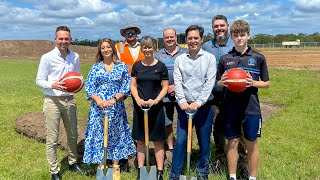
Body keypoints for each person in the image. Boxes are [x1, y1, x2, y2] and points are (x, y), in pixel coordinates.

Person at [216, 20, 270, 180]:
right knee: (232, 142)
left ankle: (252, 177)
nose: (239, 38)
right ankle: (232, 176)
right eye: (236, 35)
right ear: (231, 36)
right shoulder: (225, 59)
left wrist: (252, 83)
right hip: (230, 108)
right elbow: (218, 83)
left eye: (242, 35)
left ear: (248, 35)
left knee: (251, 144)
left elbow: (266, 83)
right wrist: (221, 83)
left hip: (251, 108)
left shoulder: (258, 57)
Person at [35, 26, 87, 180]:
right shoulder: (47, 57)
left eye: (67, 38)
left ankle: (72, 162)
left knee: (72, 134)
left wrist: (78, 85)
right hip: (53, 100)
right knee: (52, 137)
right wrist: (52, 85)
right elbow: (38, 80)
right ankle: (54, 171)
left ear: (70, 39)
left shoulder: (75, 56)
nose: (64, 41)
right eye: (61, 38)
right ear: (55, 39)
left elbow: (76, 77)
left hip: (69, 100)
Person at [202, 15, 249, 178]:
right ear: (212, 28)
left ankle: (243, 163)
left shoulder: (235, 43)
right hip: (216, 95)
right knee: (219, 129)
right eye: (216, 26)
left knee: (239, 130)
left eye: (222, 25)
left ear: (227, 26)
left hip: (236, 96)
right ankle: (220, 160)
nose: (219, 28)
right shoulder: (207, 46)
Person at [83, 38, 136, 180]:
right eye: (103, 47)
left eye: (108, 47)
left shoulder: (121, 66)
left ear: (113, 48)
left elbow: (126, 87)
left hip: (116, 106)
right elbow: (89, 86)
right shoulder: (96, 67)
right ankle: (101, 165)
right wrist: (98, 100)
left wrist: (114, 99)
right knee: (99, 134)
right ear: (100, 50)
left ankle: (115, 165)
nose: (106, 49)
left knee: (116, 134)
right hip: (98, 107)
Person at [170, 25, 216, 180]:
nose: (193, 41)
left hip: (204, 107)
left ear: (201, 39)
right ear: (186, 40)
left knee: (204, 142)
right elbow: (177, 81)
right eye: (190, 38)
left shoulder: (209, 58)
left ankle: (203, 173)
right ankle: (175, 174)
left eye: (196, 38)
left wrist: (198, 102)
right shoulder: (180, 60)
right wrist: (182, 101)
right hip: (184, 108)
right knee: (181, 141)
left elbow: (209, 83)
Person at [130, 35, 169, 180]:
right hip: (140, 108)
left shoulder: (160, 66)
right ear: (142, 48)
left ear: (154, 48)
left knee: (158, 141)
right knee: (140, 140)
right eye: (144, 47)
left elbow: (165, 87)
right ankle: (141, 172)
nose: (147, 49)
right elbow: (133, 85)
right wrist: (138, 99)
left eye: (150, 47)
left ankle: (159, 172)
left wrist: (156, 100)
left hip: (156, 108)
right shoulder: (137, 66)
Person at [154, 28, 187, 152]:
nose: (169, 39)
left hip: (183, 93)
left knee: (182, 121)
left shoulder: (185, 53)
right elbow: (154, 74)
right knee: (167, 122)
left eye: (171, 36)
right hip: (164, 94)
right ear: (163, 39)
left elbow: (190, 73)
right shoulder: (157, 55)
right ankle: (171, 147)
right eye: (167, 37)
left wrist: (177, 86)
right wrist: (165, 87)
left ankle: (182, 146)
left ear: (176, 37)